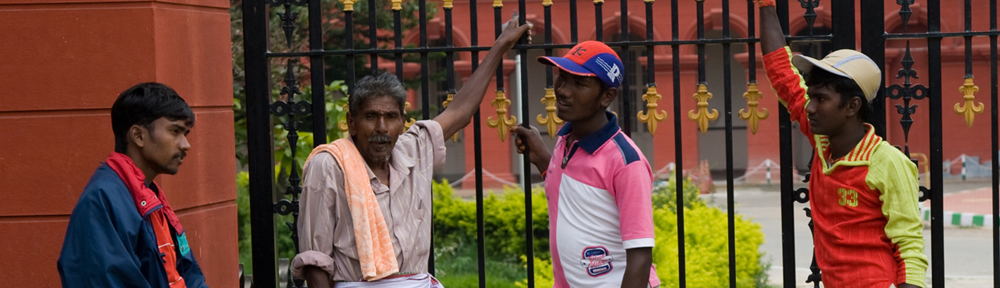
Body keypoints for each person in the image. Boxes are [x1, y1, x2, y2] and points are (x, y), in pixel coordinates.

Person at [290, 17, 531, 288]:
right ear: (352, 122)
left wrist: (501, 46)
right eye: (371, 116)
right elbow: (315, 263)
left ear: (403, 121)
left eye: (391, 117)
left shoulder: (414, 149)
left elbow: (460, 112)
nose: (381, 127)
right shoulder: (329, 166)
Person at [755, 0, 928, 287]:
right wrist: (766, 6)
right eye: (811, 97)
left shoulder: (886, 162)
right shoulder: (823, 142)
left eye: (821, 99)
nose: (810, 107)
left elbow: (910, 247)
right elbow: (783, 75)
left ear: (852, 106)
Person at [510, 40, 658, 288]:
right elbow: (577, 194)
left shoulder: (625, 162)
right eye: (562, 78)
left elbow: (640, 257)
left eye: (579, 84)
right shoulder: (565, 141)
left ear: (606, 96)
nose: (563, 90)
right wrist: (541, 158)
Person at [57, 83, 208, 288]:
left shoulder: (146, 195)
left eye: (186, 134)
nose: (185, 145)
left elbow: (185, 275)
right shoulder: (103, 200)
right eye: (175, 131)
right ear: (138, 136)